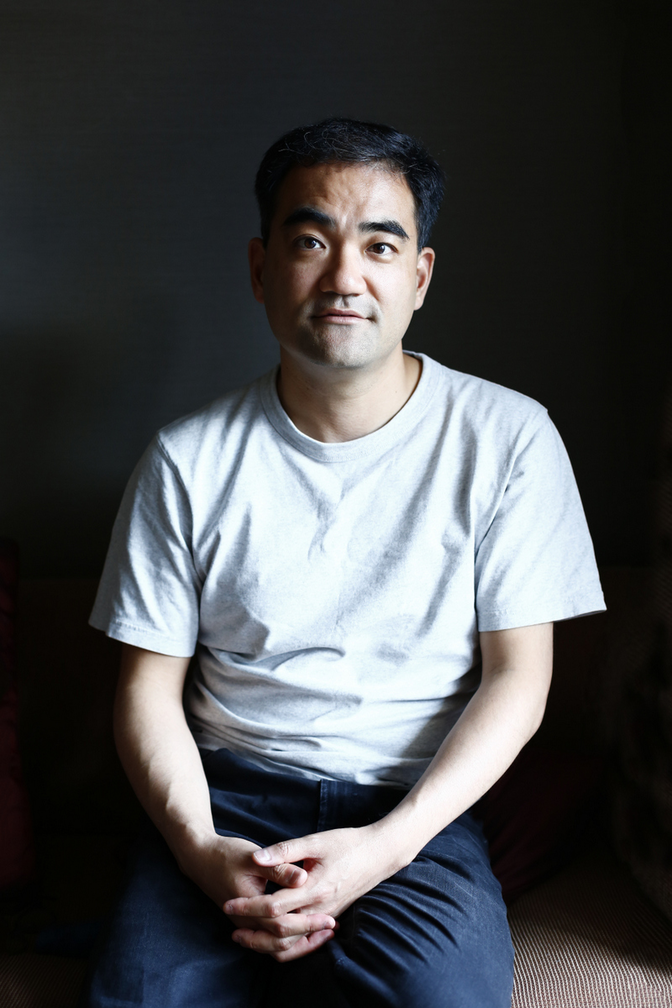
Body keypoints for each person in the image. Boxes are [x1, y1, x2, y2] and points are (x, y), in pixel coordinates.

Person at [84, 117, 605, 1008]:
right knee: (139, 996)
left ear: (420, 277)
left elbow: (520, 679)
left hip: (413, 809)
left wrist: (385, 848)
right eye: (312, 241)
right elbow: (146, 690)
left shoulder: (510, 439)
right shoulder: (186, 459)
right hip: (225, 802)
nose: (344, 277)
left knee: (442, 997)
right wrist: (200, 851)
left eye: (379, 246)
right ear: (260, 270)